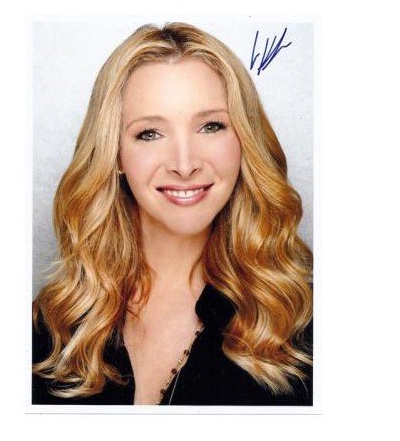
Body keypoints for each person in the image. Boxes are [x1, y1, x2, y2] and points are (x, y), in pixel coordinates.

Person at [32, 22, 313, 406]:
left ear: (244, 143)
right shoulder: (51, 325)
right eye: (149, 133)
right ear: (115, 154)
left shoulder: (305, 319)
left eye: (210, 126)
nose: (184, 164)